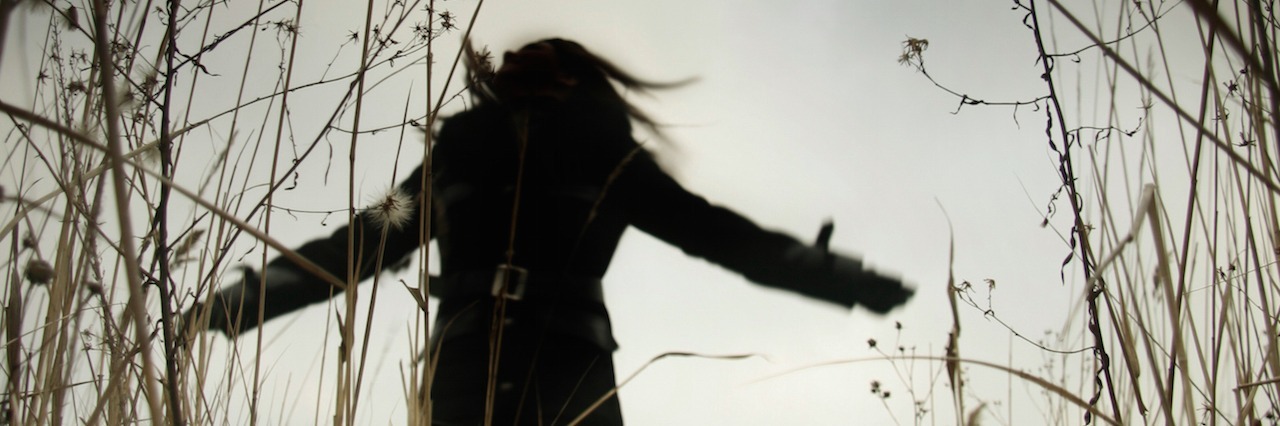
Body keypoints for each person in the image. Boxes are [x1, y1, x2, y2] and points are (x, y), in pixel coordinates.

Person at [183, 38, 914, 425]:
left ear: (568, 81)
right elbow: (364, 244)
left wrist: (834, 276)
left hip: (566, 366)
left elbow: (713, 232)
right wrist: (242, 302)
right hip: (473, 366)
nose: (526, 75)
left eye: (544, 67)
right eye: (517, 69)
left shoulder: (601, 151)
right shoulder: (466, 148)